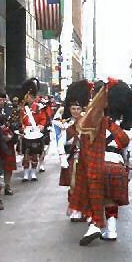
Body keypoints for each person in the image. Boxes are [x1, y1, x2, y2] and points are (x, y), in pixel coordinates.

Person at [73, 80, 132, 245]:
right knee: (111, 199)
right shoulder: (125, 128)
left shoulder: (95, 123)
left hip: (98, 164)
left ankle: (94, 226)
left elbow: (85, 146)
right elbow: (129, 153)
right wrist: (128, 173)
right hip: (117, 166)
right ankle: (111, 230)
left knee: (95, 198)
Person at [54, 80, 90, 222]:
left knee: (85, 185)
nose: (75, 111)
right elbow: (60, 142)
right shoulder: (65, 124)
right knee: (73, 185)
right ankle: (75, 209)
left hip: (85, 157)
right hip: (71, 157)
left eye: (78, 108)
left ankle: (85, 210)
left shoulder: (87, 123)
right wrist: (62, 158)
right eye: (73, 108)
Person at [19, 78, 48, 182]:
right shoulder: (22, 109)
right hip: (26, 133)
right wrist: (22, 128)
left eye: (32, 97)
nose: (30, 99)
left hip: (35, 133)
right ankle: (26, 173)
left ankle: (33, 172)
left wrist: (41, 126)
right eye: (29, 97)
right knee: (26, 154)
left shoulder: (39, 108)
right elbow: (19, 121)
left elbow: (43, 119)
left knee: (35, 153)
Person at [0, 92, 19, 196]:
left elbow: (17, 123)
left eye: (3, 100)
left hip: (8, 142)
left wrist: (11, 130)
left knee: (8, 165)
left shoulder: (11, 110)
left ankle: (7, 186)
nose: (2, 102)